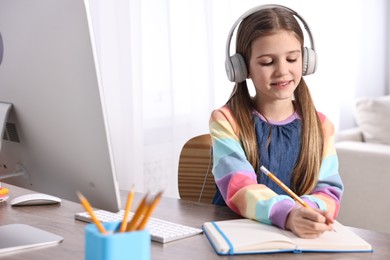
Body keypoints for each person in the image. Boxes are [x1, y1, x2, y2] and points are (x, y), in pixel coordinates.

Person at [209, 5, 343, 238]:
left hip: (297, 238)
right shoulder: (226, 121)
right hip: (238, 237)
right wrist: (288, 214)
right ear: (242, 68)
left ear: (306, 61)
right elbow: (240, 188)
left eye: (292, 58)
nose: (282, 71)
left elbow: (329, 192)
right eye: (267, 62)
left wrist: (308, 213)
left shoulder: (321, 126)